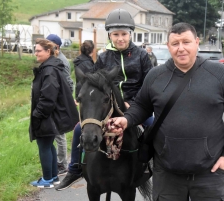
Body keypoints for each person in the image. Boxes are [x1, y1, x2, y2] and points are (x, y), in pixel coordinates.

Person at [109, 22, 224, 200]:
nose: (181, 48)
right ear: (169, 47)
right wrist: (126, 120)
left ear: (197, 42)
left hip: (210, 173)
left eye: (186, 42)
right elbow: (142, 106)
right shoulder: (155, 76)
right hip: (167, 174)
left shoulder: (220, 74)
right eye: (175, 44)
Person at [55, 8, 153, 191]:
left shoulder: (141, 56)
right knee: (78, 129)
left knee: (154, 125)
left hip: (136, 105)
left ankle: (152, 166)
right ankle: (75, 168)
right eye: (116, 34)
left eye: (124, 34)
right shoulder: (103, 57)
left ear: (130, 34)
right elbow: (93, 82)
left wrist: (135, 103)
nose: (120, 38)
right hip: (108, 105)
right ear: (110, 35)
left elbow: (149, 83)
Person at [29, 38, 79, 188]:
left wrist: (37, 114)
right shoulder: (49, 67)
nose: (35, 53)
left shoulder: (49, 71)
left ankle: (47, 179)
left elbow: (48, 98)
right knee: (48, 144)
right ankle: (53, 177)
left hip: (47, 116)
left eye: (38, 50)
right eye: (35, 50)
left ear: (48, 51)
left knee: (43, 145)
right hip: (50, 115)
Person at [46, 34, 74, 176]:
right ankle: (57, 161)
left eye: (49, 44)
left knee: (59, 132)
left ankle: (62, 164)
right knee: (54, 131)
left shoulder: (62, 61)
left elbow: (68, 82)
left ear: (56, 45)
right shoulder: (53, 58)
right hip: (53, 100)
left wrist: (65, 101)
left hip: (59, 101)